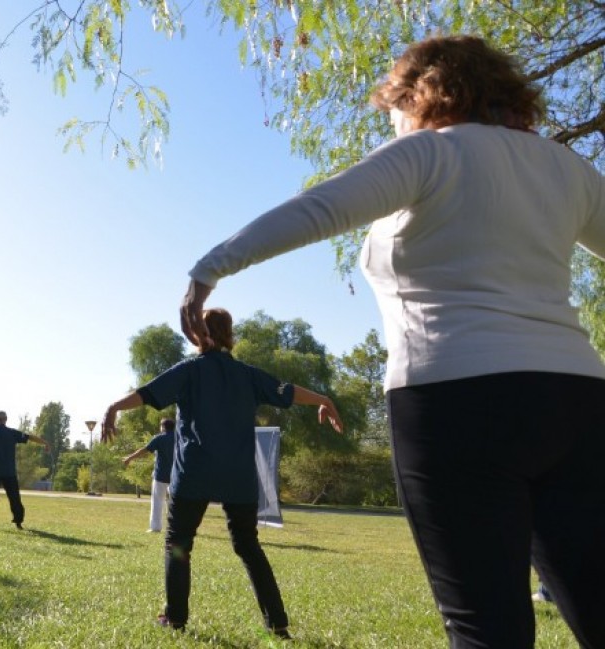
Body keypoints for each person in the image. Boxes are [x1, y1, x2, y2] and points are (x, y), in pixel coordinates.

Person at [179, 35, 605, 648]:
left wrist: (209, 268)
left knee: (488, 630)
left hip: (459, 404)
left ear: (422, 96)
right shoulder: (568, 169)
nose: (395, 123)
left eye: (396, 110)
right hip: (578, 404)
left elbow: (317, 208)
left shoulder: (429, 155)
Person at [102, 307, 342, 637]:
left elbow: (146, 394)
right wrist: (323, 399)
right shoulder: (248, 374)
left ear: (199, 333)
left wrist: (113, 408)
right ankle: (278, 623)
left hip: (195, 475)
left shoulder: (189, 370)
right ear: (229, 334)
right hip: (239, 478)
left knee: (178, 543)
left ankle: (175, 619)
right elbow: (287, 391)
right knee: (248, 546)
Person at [121, 418, 178, 533]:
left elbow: (144, 450)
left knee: (157, 501)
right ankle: (175, 528)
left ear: (163, 427)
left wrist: (129, 458)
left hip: (160, 475)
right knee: (174, 503)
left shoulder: (159, 438)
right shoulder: (180, 438)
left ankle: (155, 527)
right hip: (176, 476)